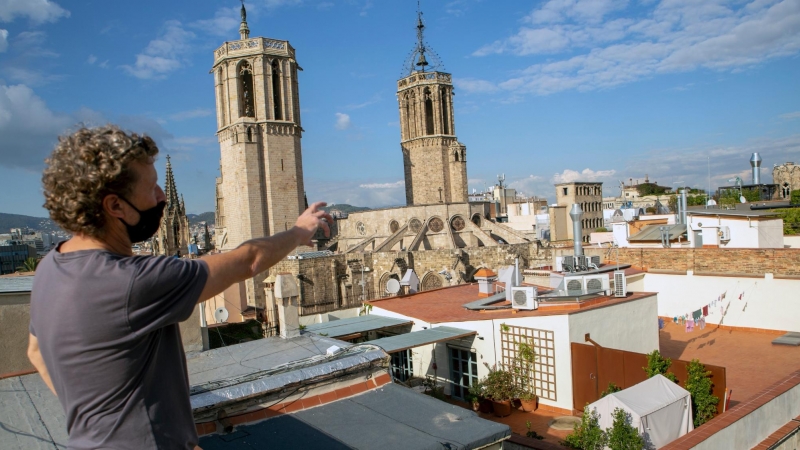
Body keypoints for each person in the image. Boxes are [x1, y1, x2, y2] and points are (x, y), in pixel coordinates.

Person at [27, 125, 332, 450]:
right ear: (115, 206)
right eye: (151, 186)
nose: (161, 196)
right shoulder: (134, 281)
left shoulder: (49, 268)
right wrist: (299, 232)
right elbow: (249, 260)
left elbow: (36, 353)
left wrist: (99, 421)